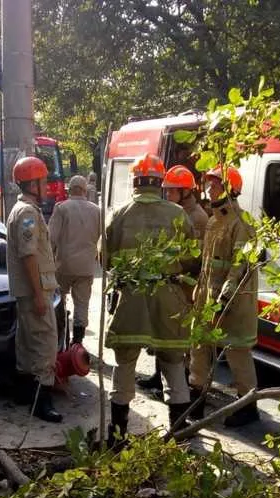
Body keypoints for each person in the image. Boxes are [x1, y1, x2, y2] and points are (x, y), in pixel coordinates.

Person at [104, 153, 197, 442]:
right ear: (160, 182)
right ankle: (179, 436)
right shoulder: (178, 214)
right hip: (168, 300)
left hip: (131, 299)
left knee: (124, 364)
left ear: (135, 181)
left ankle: (117, 437)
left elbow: (105, 259)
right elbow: (191, 258)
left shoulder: (119, 214)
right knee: (174, 363)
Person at [189, 165, 260, 427]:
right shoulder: (213, 221)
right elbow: (208, 265)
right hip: (207, 299)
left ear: (230, 189)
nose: (209, 189)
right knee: (199, 345)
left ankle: (247, 406)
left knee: (237, 351)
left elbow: (239, 266)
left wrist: (224, 298)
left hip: (233, 302)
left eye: (215, 184)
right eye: (209, 184)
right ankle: (196, 398)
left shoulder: (242, 224)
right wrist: (199, 291)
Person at [136, 165, 208, 413]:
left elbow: (195, 258)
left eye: (172, 191)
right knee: (162, 332)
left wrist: (176, 272)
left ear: (185, 191)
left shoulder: (197, 217)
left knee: (179, 341)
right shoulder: (173, 212)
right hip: (170, 283)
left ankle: (183, 389)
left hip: (184, 286)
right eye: (166, 190)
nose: (167, 194)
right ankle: (159, 378)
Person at [5, 156, 63, 423]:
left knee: (27, 343)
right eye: (43, 181)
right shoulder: (27, 213)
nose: (47, 186)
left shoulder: (24, 210)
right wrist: (39, 295)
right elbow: (29, 255)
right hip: (35, 291)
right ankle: (42, 401)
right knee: (45, 345)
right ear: (32, 185)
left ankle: (24, 393)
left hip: (29, 291)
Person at [49, 174, 101, 345]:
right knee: (82, 304)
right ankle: (78, 341)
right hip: (86, 267)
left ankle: (61, 335)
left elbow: (52, 238)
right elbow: (101, 237)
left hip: (64, 265)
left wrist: (48, 261)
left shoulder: (61, 208)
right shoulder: (96, 210)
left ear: (69, 190)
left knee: (59, 300)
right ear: (85, 190)